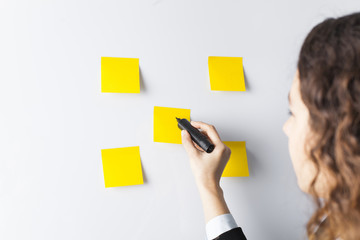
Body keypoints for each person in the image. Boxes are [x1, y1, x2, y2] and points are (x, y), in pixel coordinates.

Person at [181, 12, 360, 240]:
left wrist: (208, 186)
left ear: (341, 130)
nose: (286, 128)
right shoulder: (341, 221)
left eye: (292, 112)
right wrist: (209, 186)